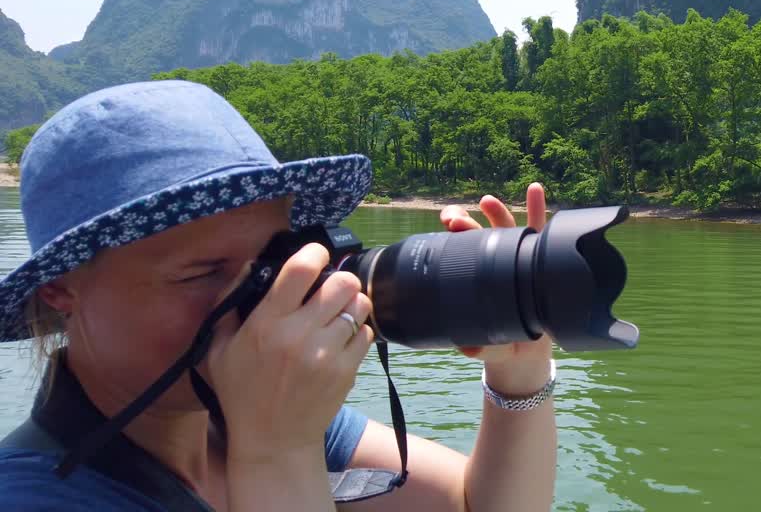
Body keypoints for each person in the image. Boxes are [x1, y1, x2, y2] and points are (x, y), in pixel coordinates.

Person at [0, 80, 558, 511]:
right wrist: (276, 456)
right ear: (60, 290)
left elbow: (475, 505)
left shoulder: (245, 419)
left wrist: (518, 373)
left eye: (271, 263)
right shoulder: (30, 496)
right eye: (202, 272)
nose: (259, 305)